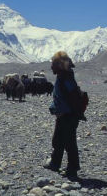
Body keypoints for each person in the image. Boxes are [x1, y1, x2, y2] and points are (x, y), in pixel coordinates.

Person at [44, 51, 80, 180]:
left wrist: (70, 112)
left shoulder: (66, 77)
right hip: (64, 114)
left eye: (53, 64)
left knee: (69, 142)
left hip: (68, 115)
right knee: (58, 139)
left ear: (58, 64)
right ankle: (55, 163)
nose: (51, 67)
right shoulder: (63, 76)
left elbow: (73, 96)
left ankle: (72, 169)